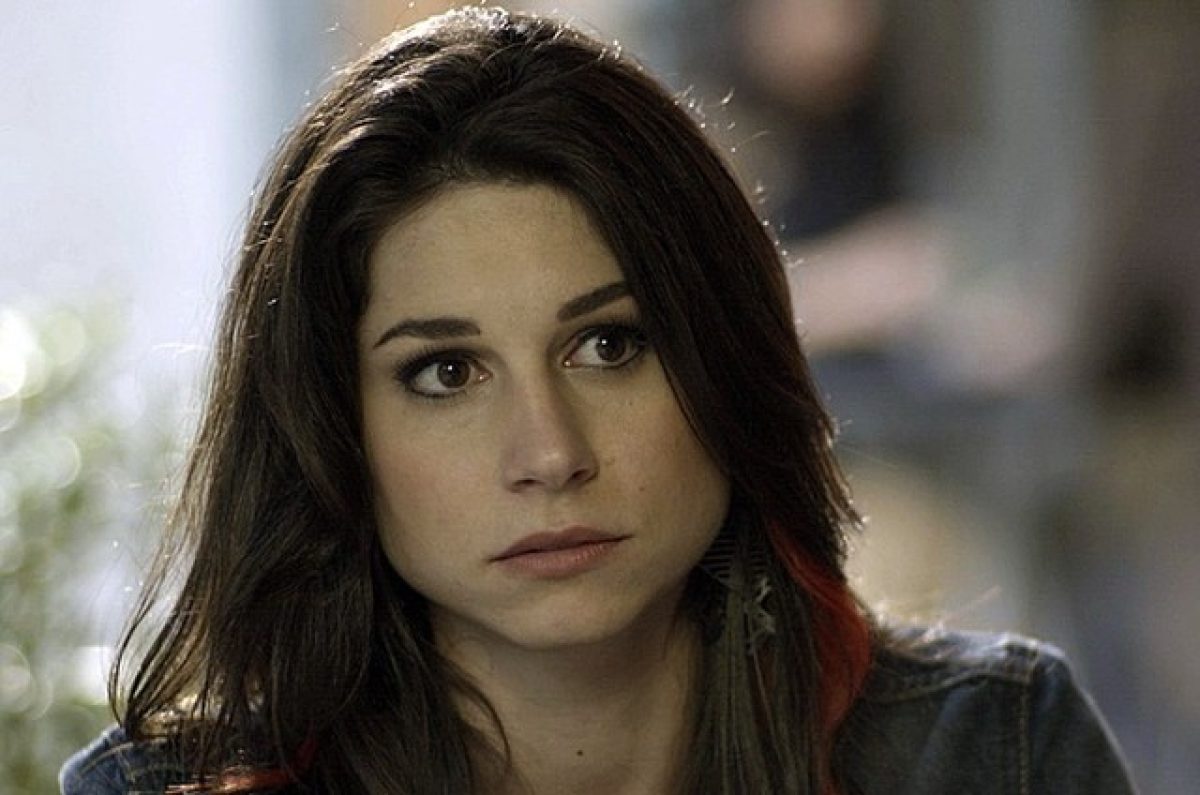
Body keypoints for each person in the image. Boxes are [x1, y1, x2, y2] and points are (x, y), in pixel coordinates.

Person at [60, 7, 1137, 794]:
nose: (549, 452)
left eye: (609, 346)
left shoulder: (991, 752)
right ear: (334, 427)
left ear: (722, 363)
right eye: (446, 372)